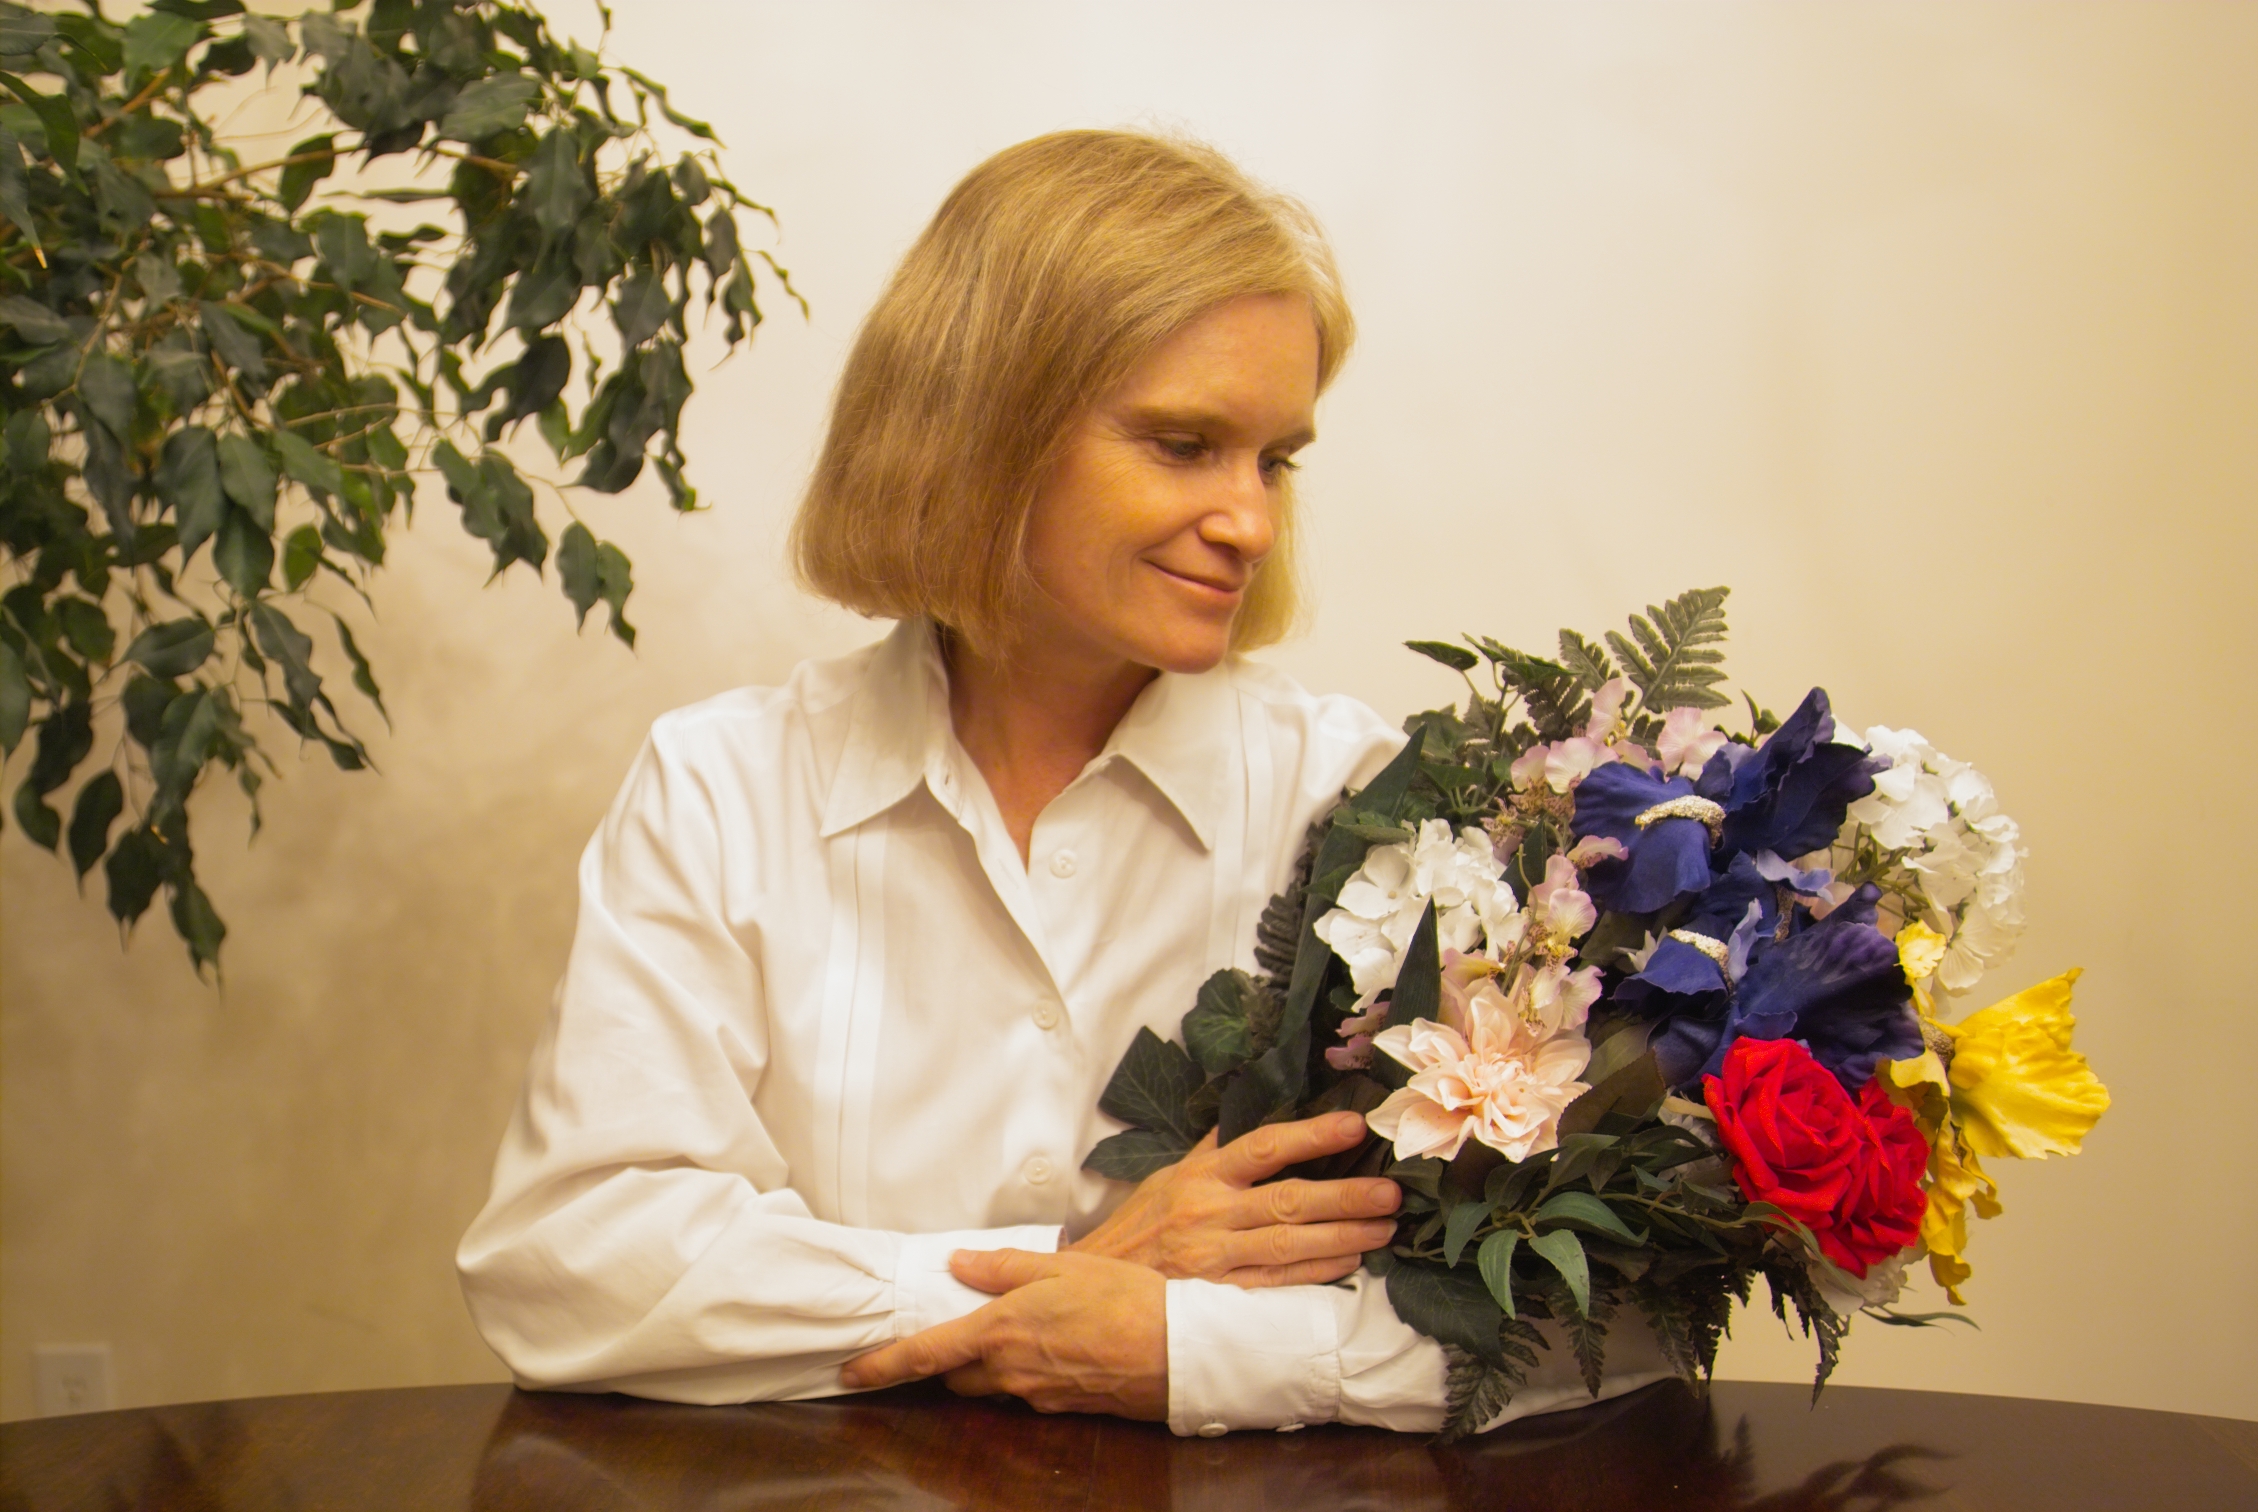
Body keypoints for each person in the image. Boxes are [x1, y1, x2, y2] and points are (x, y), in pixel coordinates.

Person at [457, 129, 1667, 1435]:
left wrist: (1183, 1351)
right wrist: (1065, 1279)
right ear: (979, 433)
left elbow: (1622, 1313)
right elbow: (565, 1266)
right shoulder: (723, 788)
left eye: (1275, 459)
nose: (1252, 522)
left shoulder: (1377, 813)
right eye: (1185, 444)